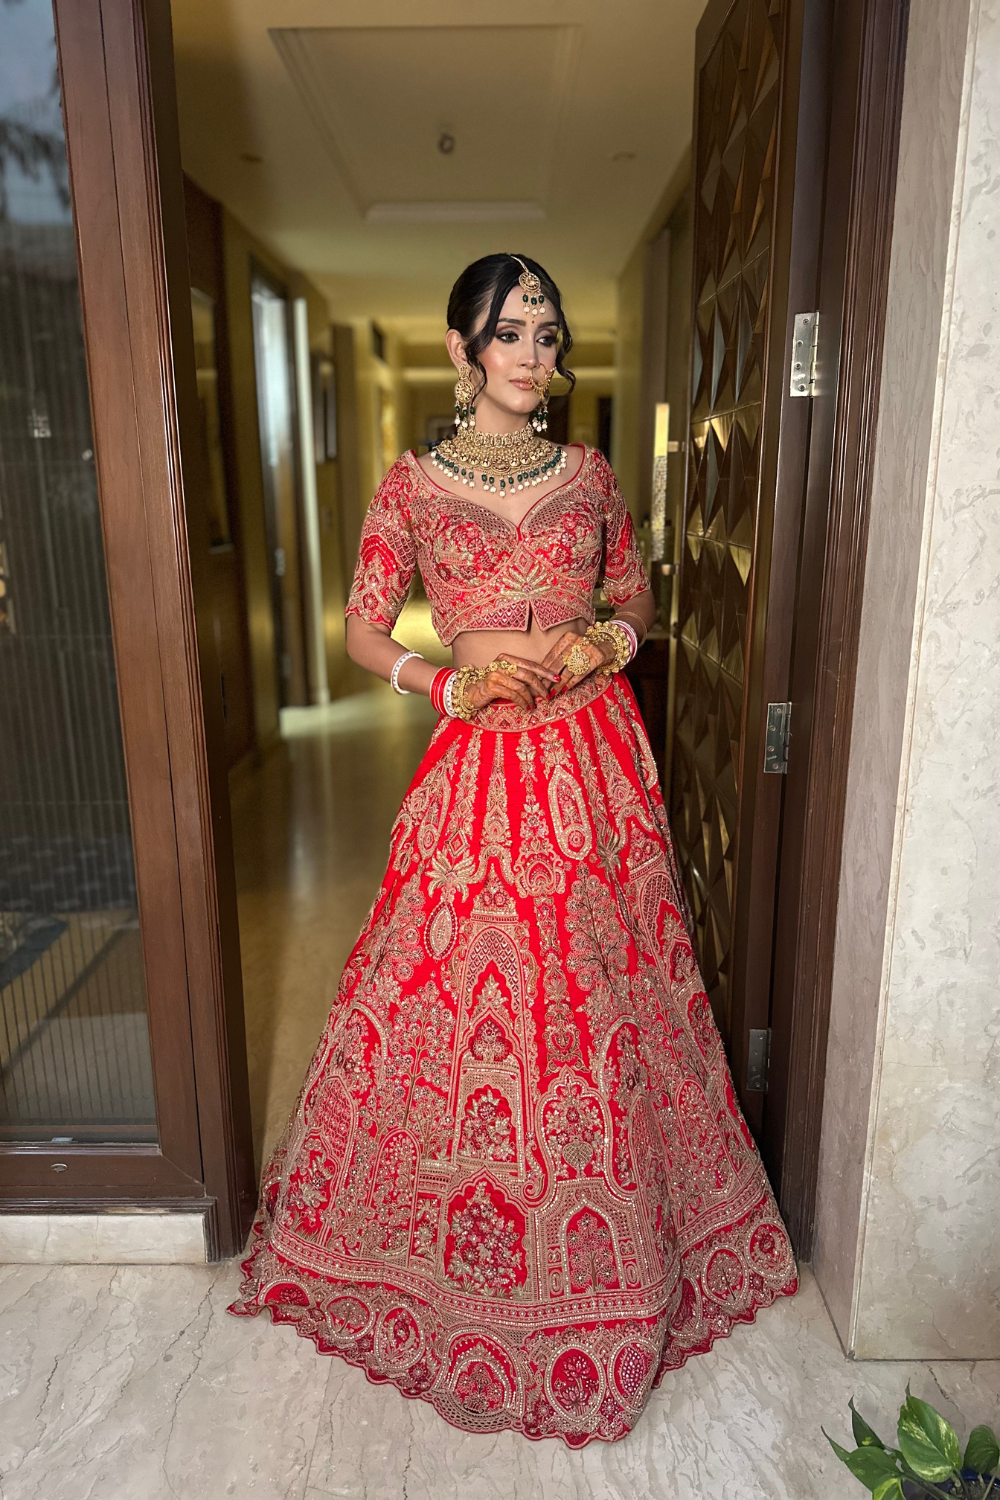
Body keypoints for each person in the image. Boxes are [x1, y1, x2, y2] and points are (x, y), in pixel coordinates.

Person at [228, 253, 797, 1446]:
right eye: (512, 333)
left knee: (598, 995)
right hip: (481, 760)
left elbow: (636, 600)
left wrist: (604, 646)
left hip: (591, 756)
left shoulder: (590, 476)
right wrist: (450, 681)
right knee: (464, 995)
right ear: (460, 350)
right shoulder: (413, 487)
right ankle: (465, 1256)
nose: (536, 354)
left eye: (548, 333)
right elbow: (360, 627)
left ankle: (615, 1249)